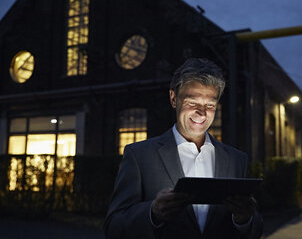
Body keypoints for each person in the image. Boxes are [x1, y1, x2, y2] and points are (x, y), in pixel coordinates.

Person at [103, 58, 263, 239]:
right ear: (173, 98)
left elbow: (255, 229)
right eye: (192, 103)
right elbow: (113, 228)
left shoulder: (237, 159)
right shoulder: (139, 155)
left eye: (210, 105)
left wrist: (244, 220)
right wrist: (152, 213)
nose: (202, 113)